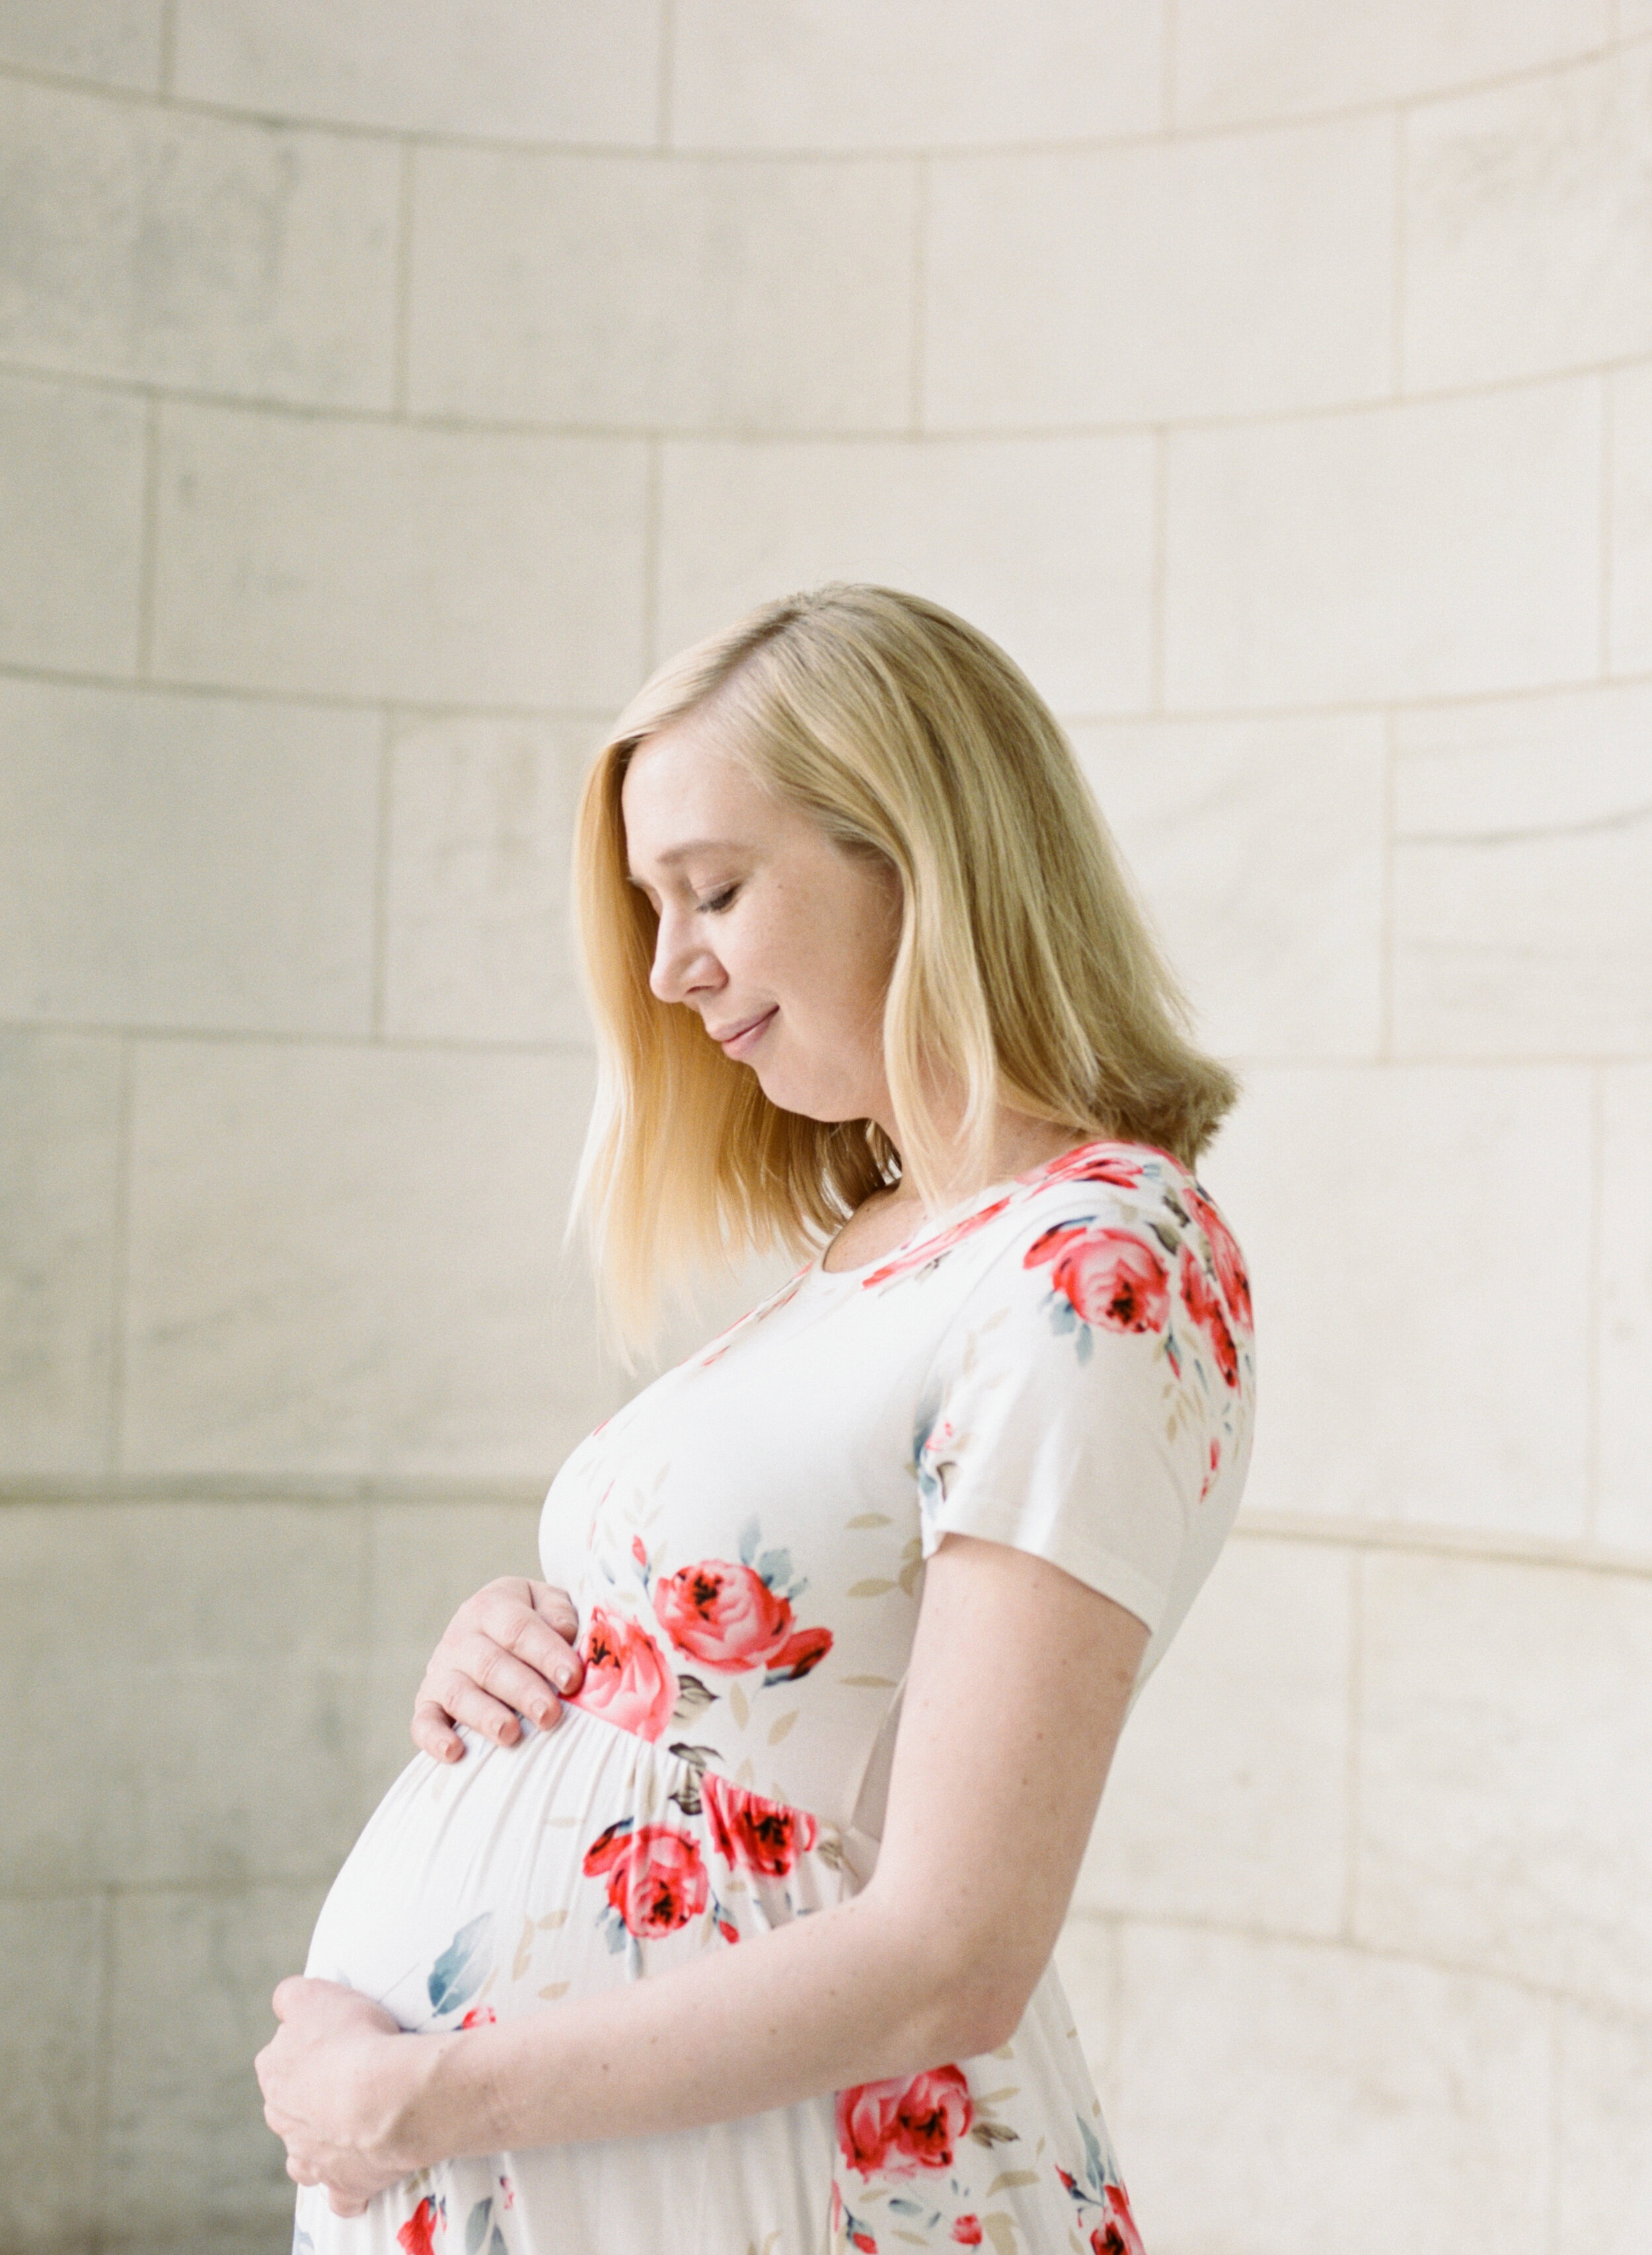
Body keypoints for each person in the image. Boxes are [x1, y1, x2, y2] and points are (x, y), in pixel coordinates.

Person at [256, 584, 1255, 2255]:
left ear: (915, 855)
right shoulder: (874, 1247)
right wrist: (532, 1663)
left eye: (712, 889)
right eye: (652, 908)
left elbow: (954, 1948)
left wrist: (421, 2099)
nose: (666, 969)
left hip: (782, 2180)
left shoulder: (1094, 1260)